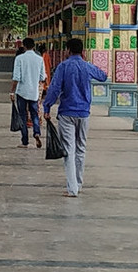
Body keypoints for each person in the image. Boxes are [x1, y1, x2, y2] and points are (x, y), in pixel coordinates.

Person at [43, 38, 108, 198]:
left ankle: (72, 188)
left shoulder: (63, 66)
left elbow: (55, 88)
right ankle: (78, 183)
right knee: (81, 149)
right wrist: (88, 66)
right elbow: (103, 76)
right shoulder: (86, 66)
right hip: (84, 113)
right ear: (82, 52)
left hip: (67, 113)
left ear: (68, 50)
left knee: (69, 151)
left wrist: (47, 106)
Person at [10, 36, 46, 148]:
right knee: (34, 114)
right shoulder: (40, 59)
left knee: (23, 116)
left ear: (23, 46)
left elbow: (16, 77)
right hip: (34, 92)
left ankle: (25, 141)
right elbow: (42, 77)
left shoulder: (19, 59)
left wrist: (12, 91)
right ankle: (36, 132)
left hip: (21, 91)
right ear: (34, 46)